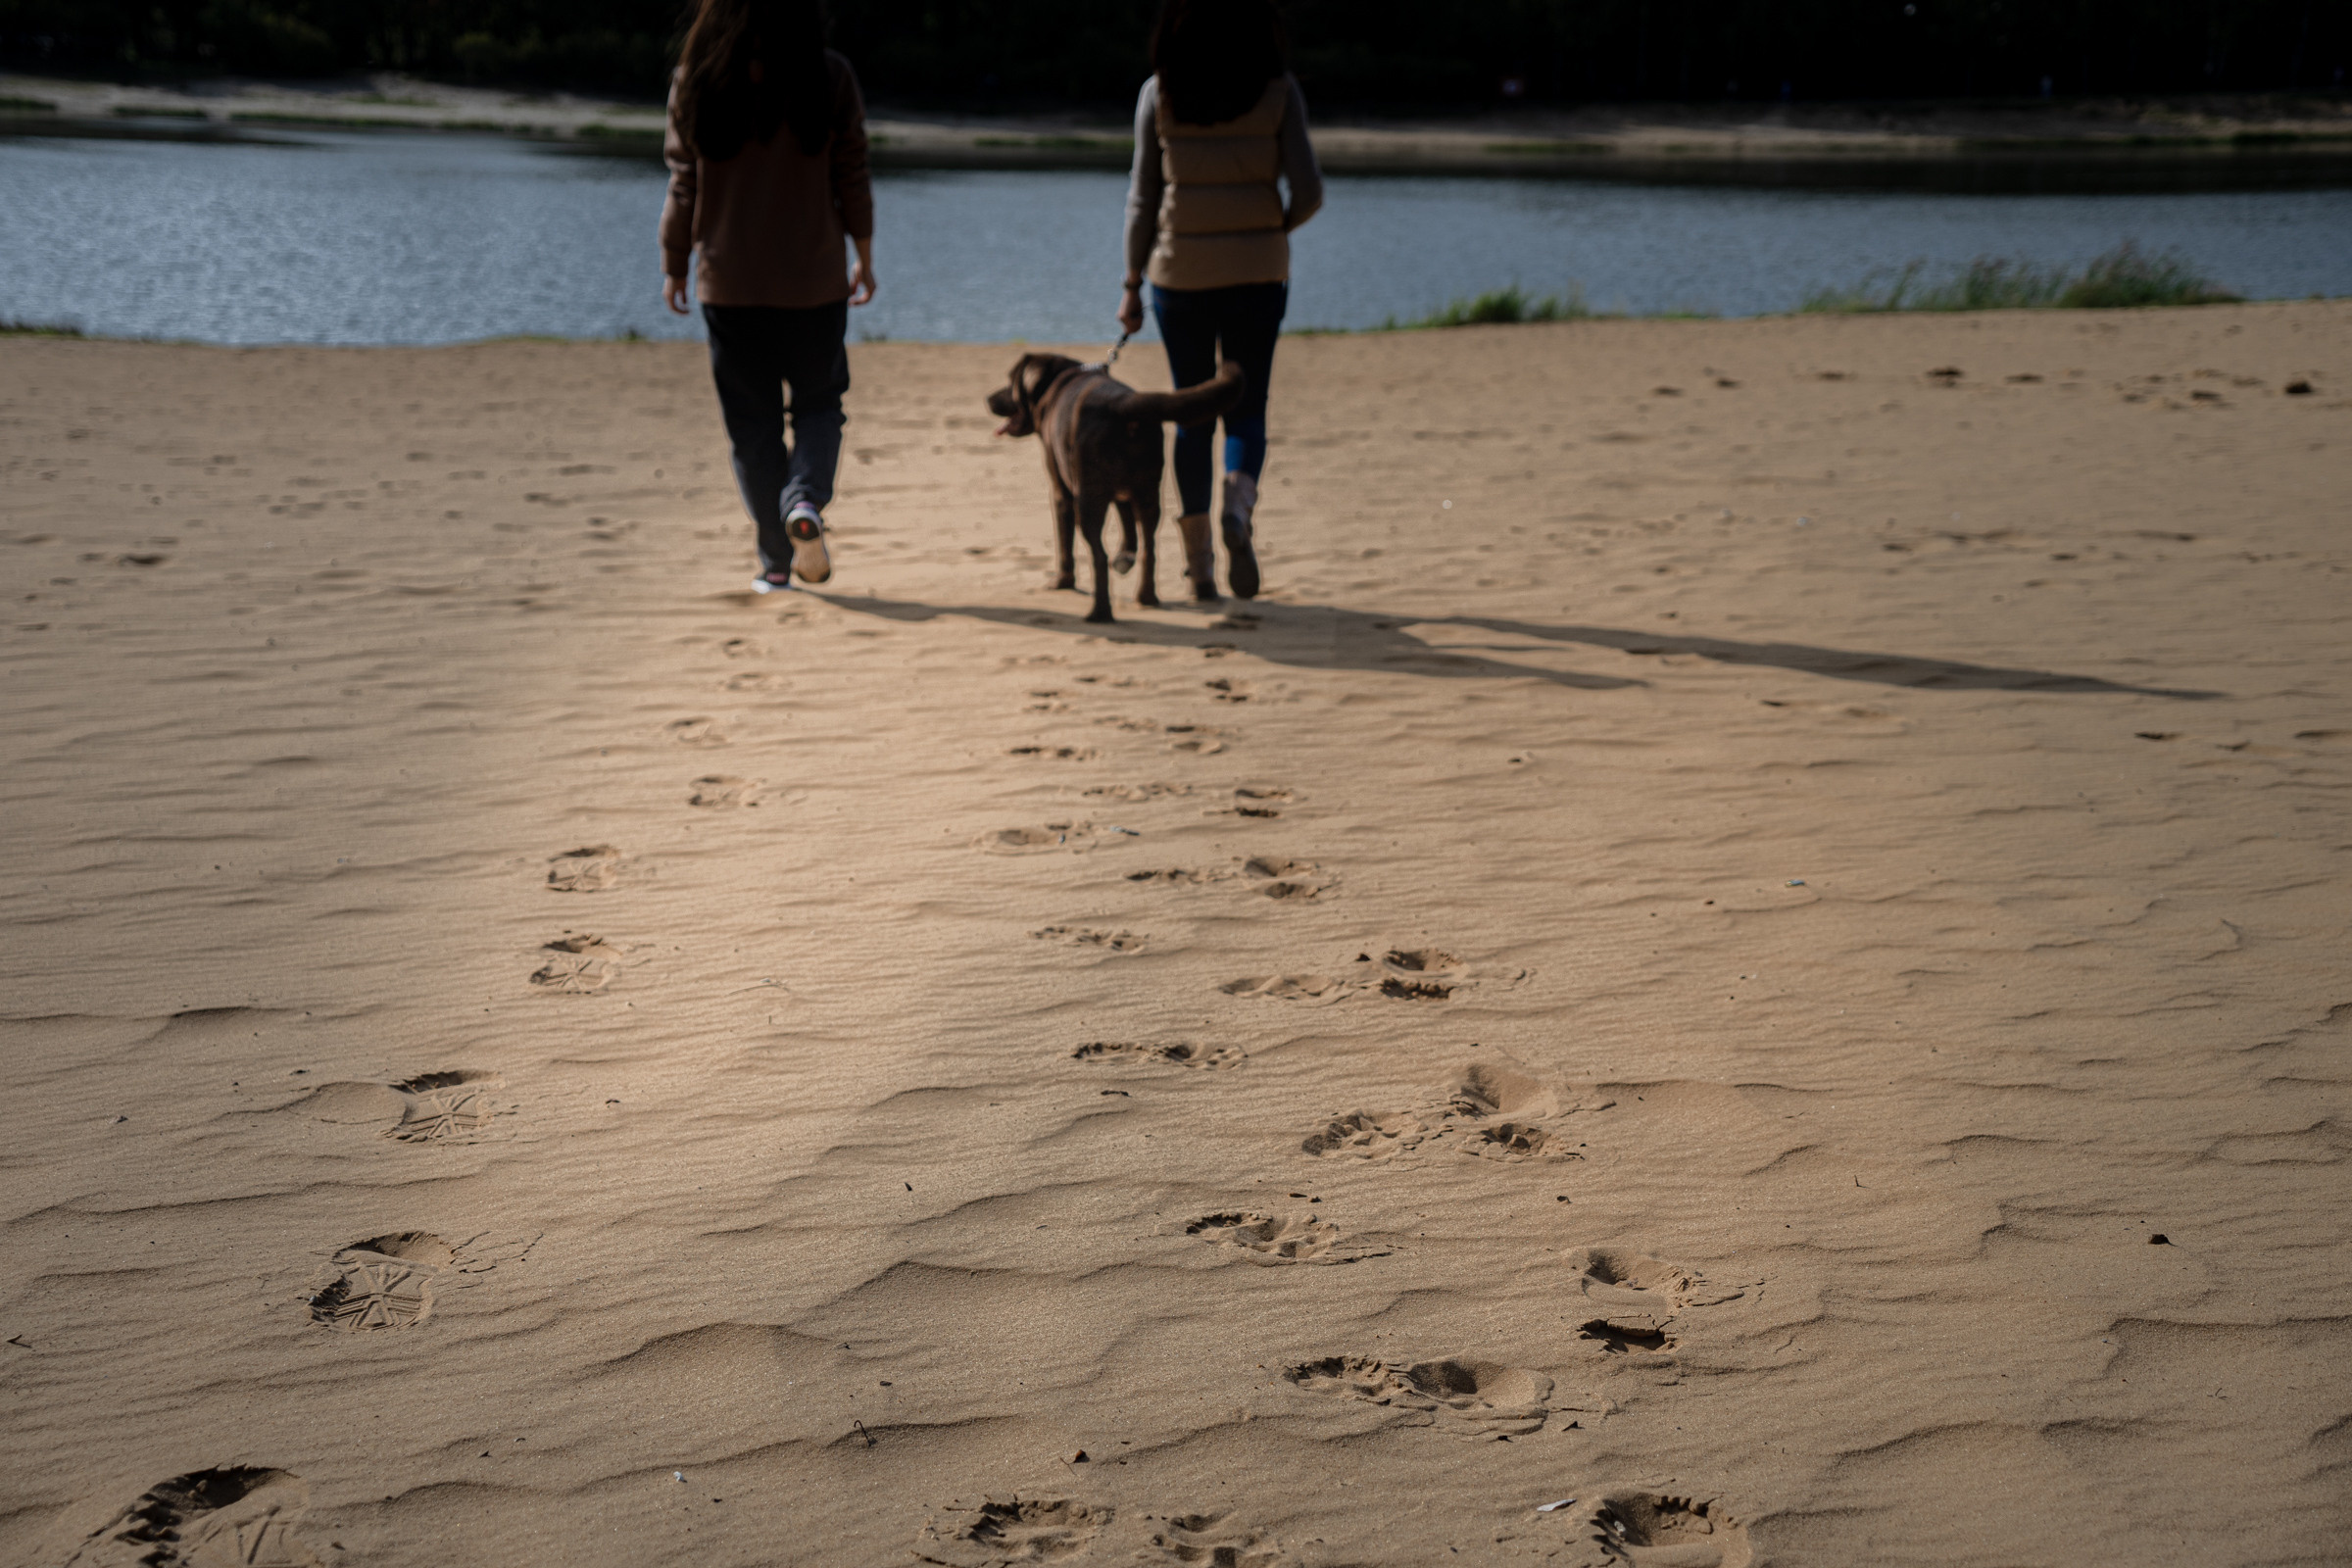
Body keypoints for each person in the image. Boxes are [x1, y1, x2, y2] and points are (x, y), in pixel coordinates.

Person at [662, 0, 875, 594]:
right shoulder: (828, 75)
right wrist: (864, 252)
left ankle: (776, 564)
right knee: (818, 405)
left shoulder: (696, 80)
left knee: (752, 426)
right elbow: (852, 170)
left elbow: (684, 181)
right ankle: (802, 498)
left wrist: (675, 264)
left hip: (730, 283)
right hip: (815, 280)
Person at [1119, 0, 1323, 603]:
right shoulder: (1279, 92)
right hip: (1259, 275)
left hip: (1179, 273)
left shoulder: (1159, 94)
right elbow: (1310, 191)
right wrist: (1270, 230)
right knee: (1247, 405)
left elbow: (1142, 199)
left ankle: (1201, 565)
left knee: (1191, 411)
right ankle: (1239, 502)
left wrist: (1131, 283)